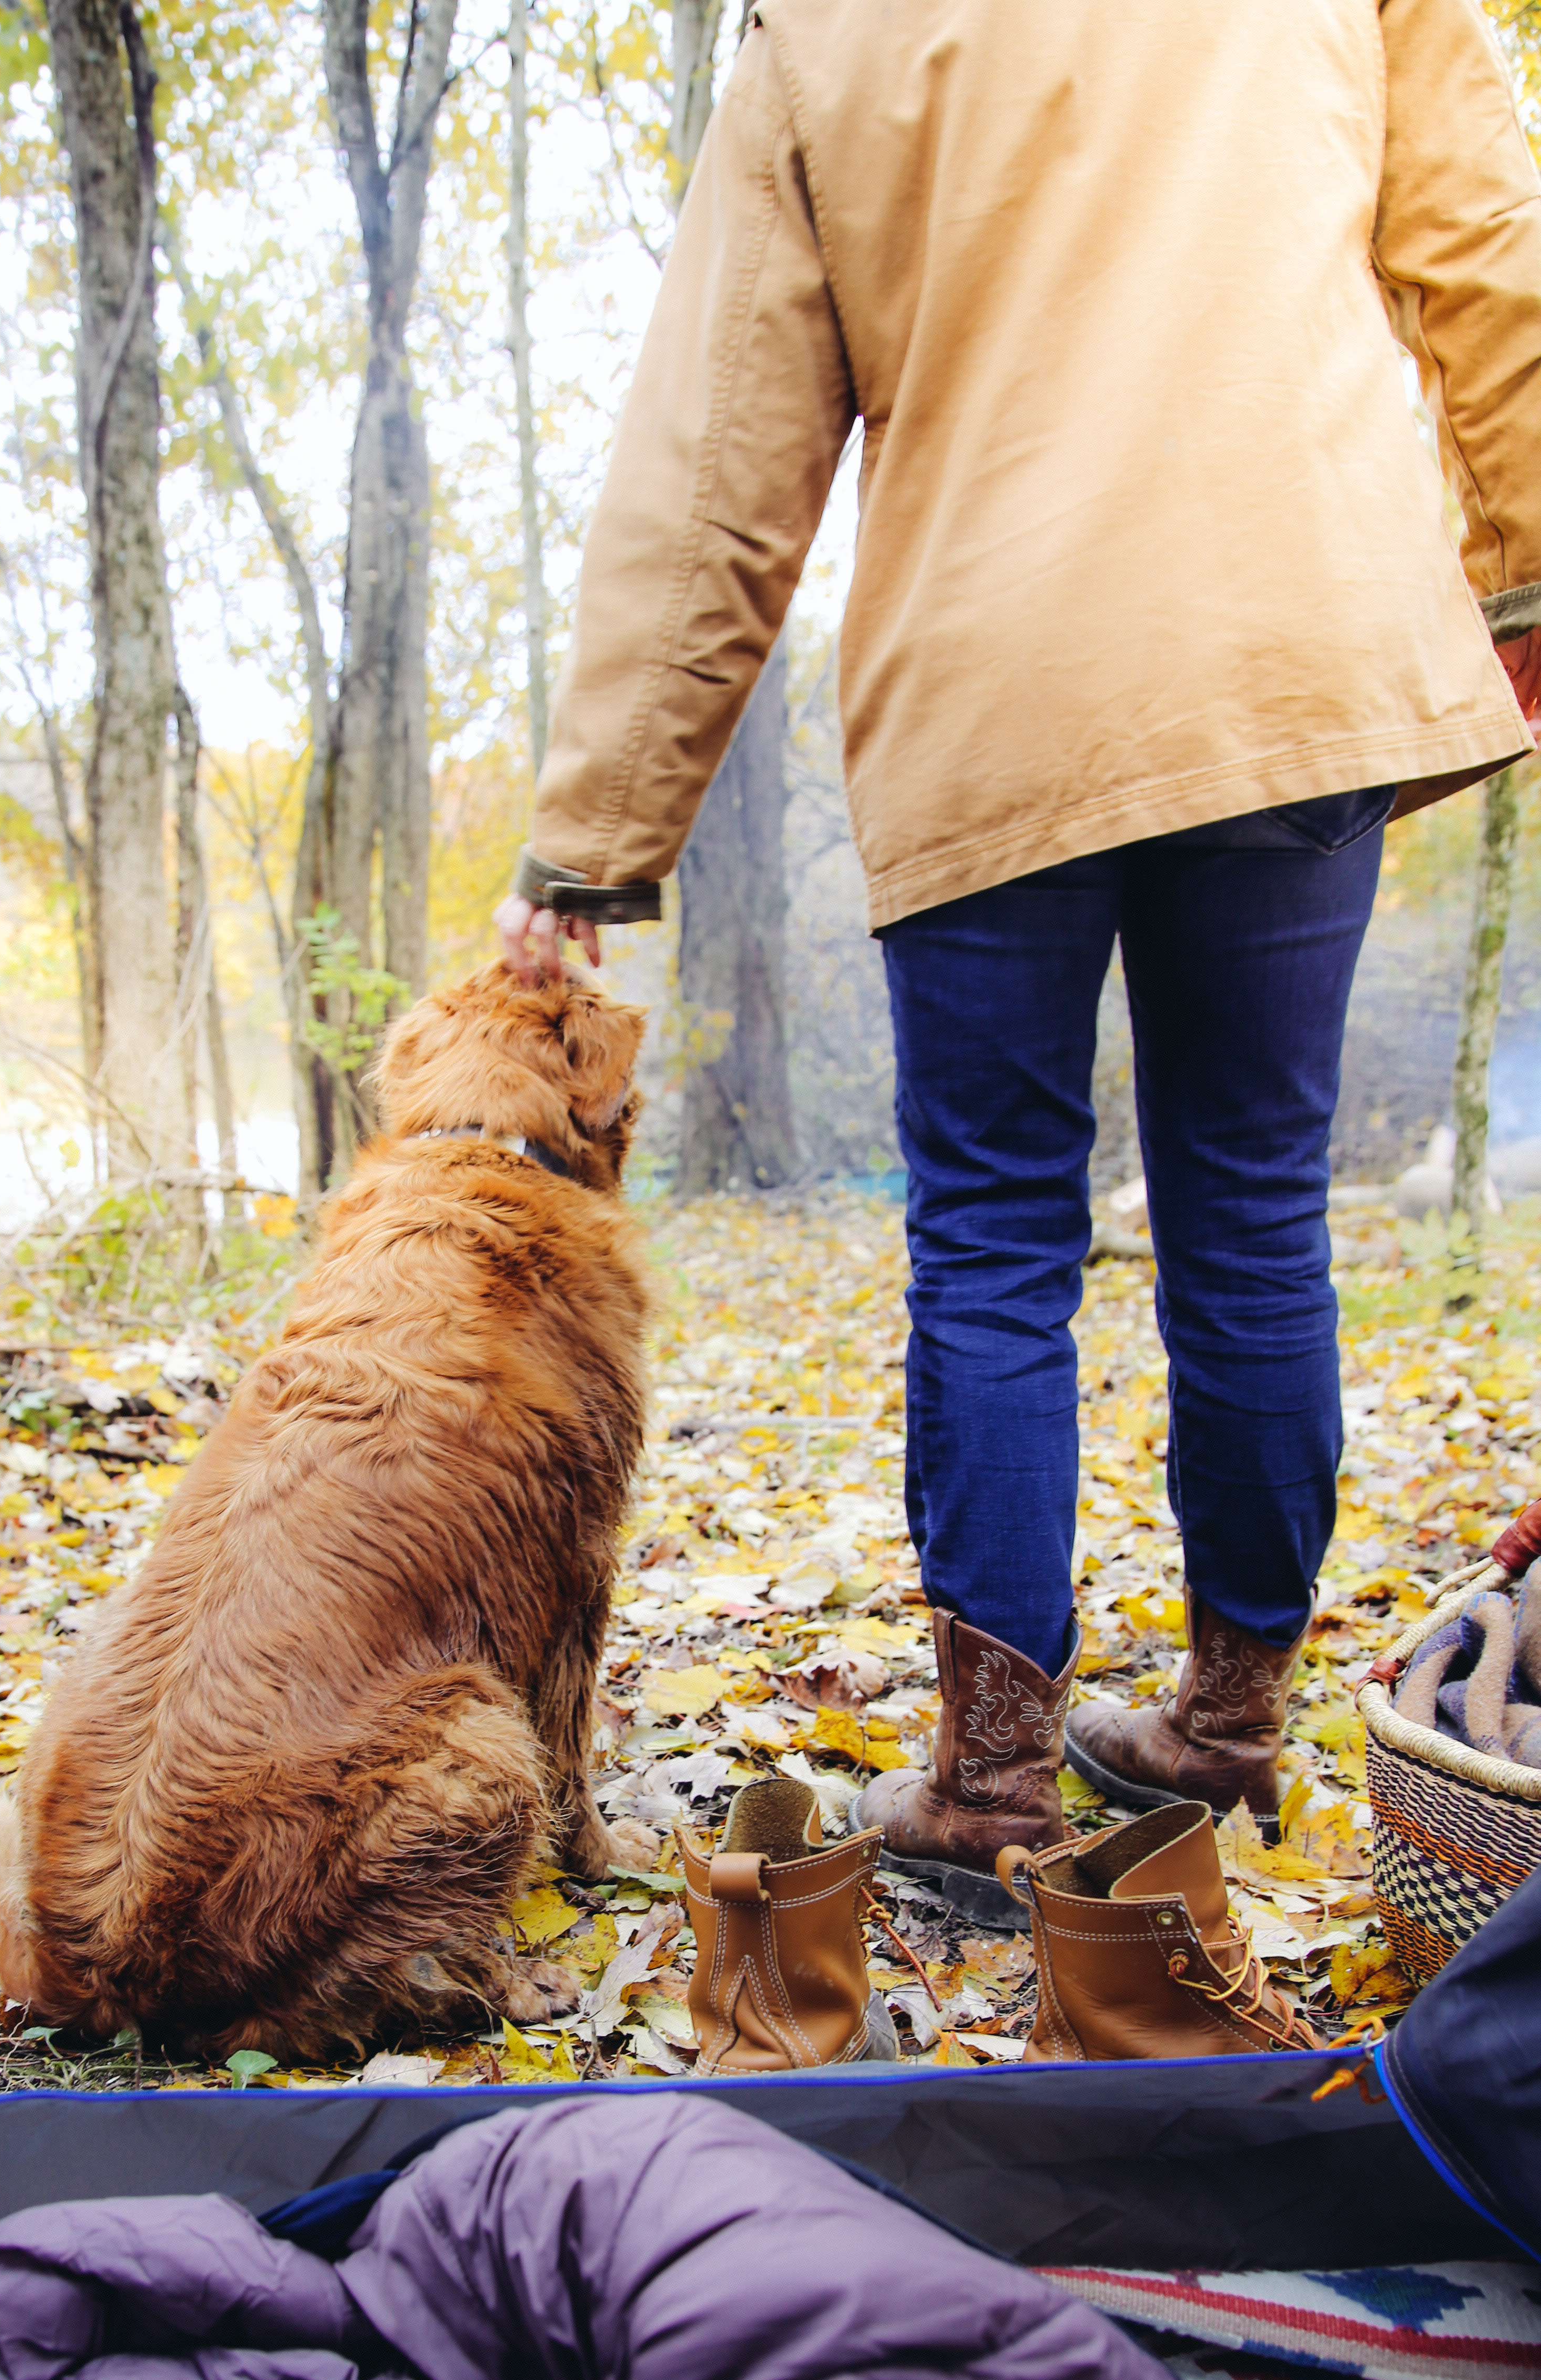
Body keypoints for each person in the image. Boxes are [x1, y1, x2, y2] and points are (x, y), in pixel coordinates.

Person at [497, 0, 1541, 1904]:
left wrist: (598, 835)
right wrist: (1529, 564)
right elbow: (1487, 251)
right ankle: (1229, 1731)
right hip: (1290, 650)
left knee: (992, 1243)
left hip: (996, 695)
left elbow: (718, 461)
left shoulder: (821, 30)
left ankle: (988, 1793)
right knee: (1253, 1214)